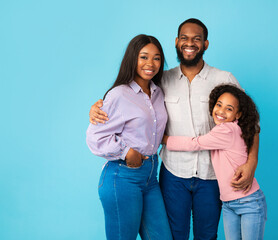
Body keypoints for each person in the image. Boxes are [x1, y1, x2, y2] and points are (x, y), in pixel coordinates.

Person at [89, 19, 260, 240]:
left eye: (197, 39)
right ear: (177, 42)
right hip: (173, 175)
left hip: (210, 175)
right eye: (185, 38)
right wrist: (97, 107)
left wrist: (251, 162)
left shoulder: (222, 79)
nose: (190, 44)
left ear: (205, 44)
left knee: (207, 236)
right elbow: (128, 100)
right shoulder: (162, 81)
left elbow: (250, 122)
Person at [86, 34, 172, 240]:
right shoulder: (119, 94)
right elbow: (95, 136)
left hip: (151, 177)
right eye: (143, 57)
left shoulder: (159, 92)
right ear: (132, 59)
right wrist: (127, 152)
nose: (150, 63)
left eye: (157, 58)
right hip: (122, 177)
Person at [163, 84, 267, 240]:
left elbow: (195, 143)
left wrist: (164, 139)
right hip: (228, 204)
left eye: (229, 109)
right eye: (219, 105)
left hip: (249, 202)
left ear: (237, 114)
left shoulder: (227, 130)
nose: (221, 111)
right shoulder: (233, 128)